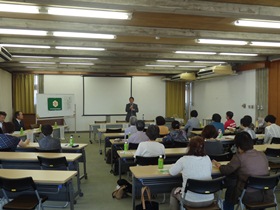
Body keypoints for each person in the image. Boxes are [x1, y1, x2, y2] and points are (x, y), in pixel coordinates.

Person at [212, 132, 271, 210]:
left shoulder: (239, 157)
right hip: (266, 194)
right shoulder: (262, 154)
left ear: (238, 146)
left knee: (231, 186)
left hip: (248, 195)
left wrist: (219, 165)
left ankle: (228, 208)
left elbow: (226, 171)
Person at [169, 136, 213, 210]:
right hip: (209, 199)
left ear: (189, 147)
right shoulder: (207, 158)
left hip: (190, 201)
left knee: (174, 191)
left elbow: (172, 172)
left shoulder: (184, 160)